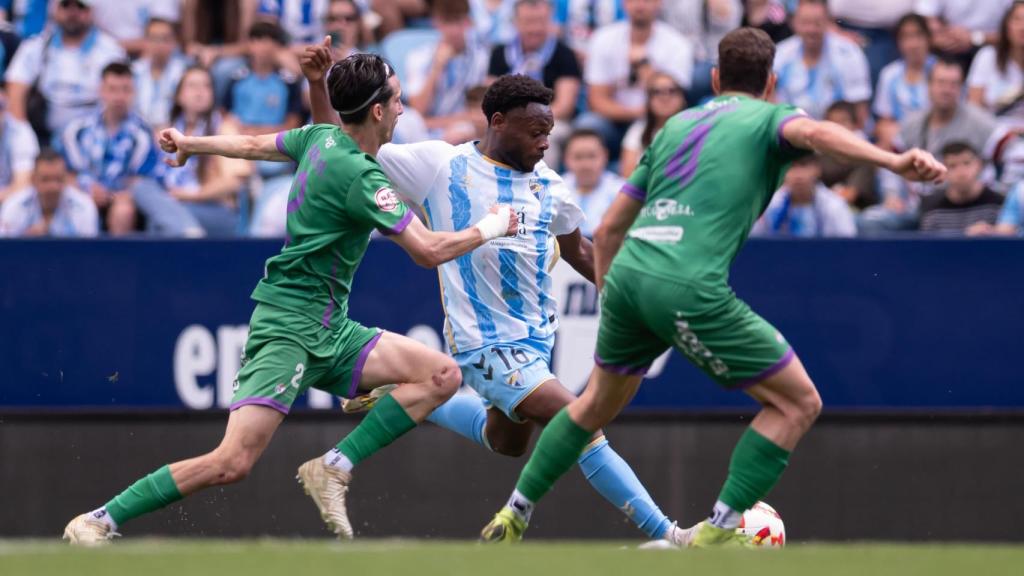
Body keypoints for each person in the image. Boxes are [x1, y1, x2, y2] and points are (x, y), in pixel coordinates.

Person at [478, 27, 946, 545]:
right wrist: (893, 161)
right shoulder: (772, 117)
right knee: (798, 404)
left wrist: (613, 298)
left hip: (629, 275)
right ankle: (714, 536)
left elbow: (608, 230)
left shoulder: (676, 125)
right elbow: (818, 136)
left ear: (716, 77)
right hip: (686, 283)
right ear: (771, 83)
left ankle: (514, 511)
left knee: (589, 408)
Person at [62, 52, 519, 545]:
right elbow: (428, 251)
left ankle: (333, 467)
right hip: (287, 325)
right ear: (380, 112)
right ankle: (98, 520)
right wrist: (491, 226)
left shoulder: (320, 137)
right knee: (231, 462)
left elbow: (255, 144)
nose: (405, 109)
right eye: (399, 100)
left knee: (439, 376)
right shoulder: (365, 180)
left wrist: (193, 143)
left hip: (331, 327)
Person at [303, 43, 689, 545]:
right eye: (536, 132)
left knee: (505, 441)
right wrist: (317, 87)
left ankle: (407, 399)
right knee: (581, 422)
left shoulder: (551, 186)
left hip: (535, 344)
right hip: (484, 346)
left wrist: (633, 299)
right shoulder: (440, 166)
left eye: (550, 132)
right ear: (498, 121)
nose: (545, 142)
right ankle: (671, 536)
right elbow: (338, 147)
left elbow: (582, 254)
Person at [58, 62, 199, 237]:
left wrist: (117, 195)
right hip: (83, 193)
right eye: (113, 89)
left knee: (123, 210)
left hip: (122, 198)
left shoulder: (143, 133)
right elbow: (67, 174)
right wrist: (87, 190)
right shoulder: (77, 130)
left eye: (126, 90)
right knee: (75, 203)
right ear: (101, 90)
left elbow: (141, 180)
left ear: (134, 93)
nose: (119, 96)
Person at [577, 0, 692, 158]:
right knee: (588, 123)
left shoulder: (677, 44)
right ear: (624, 3)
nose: (640, 5)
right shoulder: (603, 39)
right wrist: (636, 112)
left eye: (646, 1)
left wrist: (643, 66)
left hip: (657, 123)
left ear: (659, 3)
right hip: (614, 122)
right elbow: (596, 100)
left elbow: (674, 101)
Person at [4, 0, 125, 142]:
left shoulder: (111, 51)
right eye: (66, 5)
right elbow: (15, 91)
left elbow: (121, 96)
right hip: (44, 139)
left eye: (80, 6)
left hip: (96, 138)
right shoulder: (36, 46)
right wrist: (23, 138)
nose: (72, 13)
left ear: (91, 11)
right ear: (55, 9)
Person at [488, 0, 582, 167]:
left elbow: (565, 106)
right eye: (529, 22)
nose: (535, 29)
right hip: (506, 122)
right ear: (515, 22)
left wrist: (529, 123)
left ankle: (537, 190)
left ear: (551, 22)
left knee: (543, 142)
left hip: (553, 122)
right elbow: (490, 99)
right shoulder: (500, 53)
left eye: (541, 22)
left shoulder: (564, 54)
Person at [162, 66, 251, 237]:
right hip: (175, 203)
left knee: (166, 216)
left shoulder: (225, 128)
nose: (200, 92)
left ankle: (189, 232)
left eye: (206, 86)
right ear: (178, 95)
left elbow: (235, 180)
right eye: (193, 86)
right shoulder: (166, 132)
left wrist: (191, 196)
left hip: (216, 210)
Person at [773, 0, 872, 124]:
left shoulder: (849, 53)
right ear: (794, 23)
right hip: (790, 130)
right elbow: (771, 101)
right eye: (805, 23)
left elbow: (860, 110)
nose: (811, 30)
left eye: (817, 23)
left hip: (838, 131)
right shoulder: (780, 53)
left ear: (828, 22)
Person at [405, 0, 490, 141]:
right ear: (436, 22)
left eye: (458, 21)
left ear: (468, 22)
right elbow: (418, 112)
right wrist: (436, 68)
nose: (454, 30)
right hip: (426, 133)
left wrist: (431, 123)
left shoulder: (482, 57)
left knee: (461, 132)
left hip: (467, 131)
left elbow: (478, 114)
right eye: (447, 22)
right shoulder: (419, 57)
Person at [752, 155, 858, 237]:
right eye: (791, 167)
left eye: (804, 166)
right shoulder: (769, 204)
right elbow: (754, 242)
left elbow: (846, 247)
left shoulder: (834, 206)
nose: (798, 175)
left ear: (817, 169)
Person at [0, 148, 98, 237]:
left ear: (66, 179)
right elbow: (5, 251)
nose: (53, 187)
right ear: (33, 179)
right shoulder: (14, 206)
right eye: (45, 180)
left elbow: (89, 252)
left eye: (58, 179)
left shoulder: (84, 207)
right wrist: (25, 239)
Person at [873, 14, 935, 152]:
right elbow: (884, 120)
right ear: (898, 43)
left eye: (918, 35)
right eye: (906, 37)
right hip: (900, 144)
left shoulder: (941, 70)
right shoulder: (889, 74)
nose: (913, 44)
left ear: (928, 38)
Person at [919, 141, 1004, 234]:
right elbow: (927, 245)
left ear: (979, 165)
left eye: (967, 163)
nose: (961, 172)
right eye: (952, 166)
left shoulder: (998, 203)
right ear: (942, 170)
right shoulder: (932, 208)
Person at [619, 71, 685, 178]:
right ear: (648, 99)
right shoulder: (637, 131)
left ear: (682, 97)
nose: (665, 97)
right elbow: (627, 176)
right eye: (657, 92)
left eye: (672, 91)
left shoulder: (693, 128)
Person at [967, 1, 1024, 119]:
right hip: (993, 131)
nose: (1022, 27)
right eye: (1017, 20)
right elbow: (973, 106)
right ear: (1006, 25)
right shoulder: (987, 57)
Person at [916, 0, 1012, 68]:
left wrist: (974, 38)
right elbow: (925, 16)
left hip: (993, 47)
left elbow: (1014, 29)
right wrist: (939, 35)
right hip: (947, 45)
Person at [562, 128, 622, 237]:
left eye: (592, 156)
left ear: (605, 156)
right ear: (566, 159)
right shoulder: (555, 189)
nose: (585, 165)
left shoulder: (621, 191)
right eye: (578, 157)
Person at [133, 17, 190, 130]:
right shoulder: (134, 71)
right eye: (154, 38)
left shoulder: (184, 73)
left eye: (165, 39)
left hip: (175, 133)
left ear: (174, 42)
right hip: (138, 132)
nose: (159, 44)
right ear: (145, 42)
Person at [0, 94, 40, 204]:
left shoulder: (21, 132)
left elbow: (22, 186)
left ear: (7, 109)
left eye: (0, 107)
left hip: (9, 203)